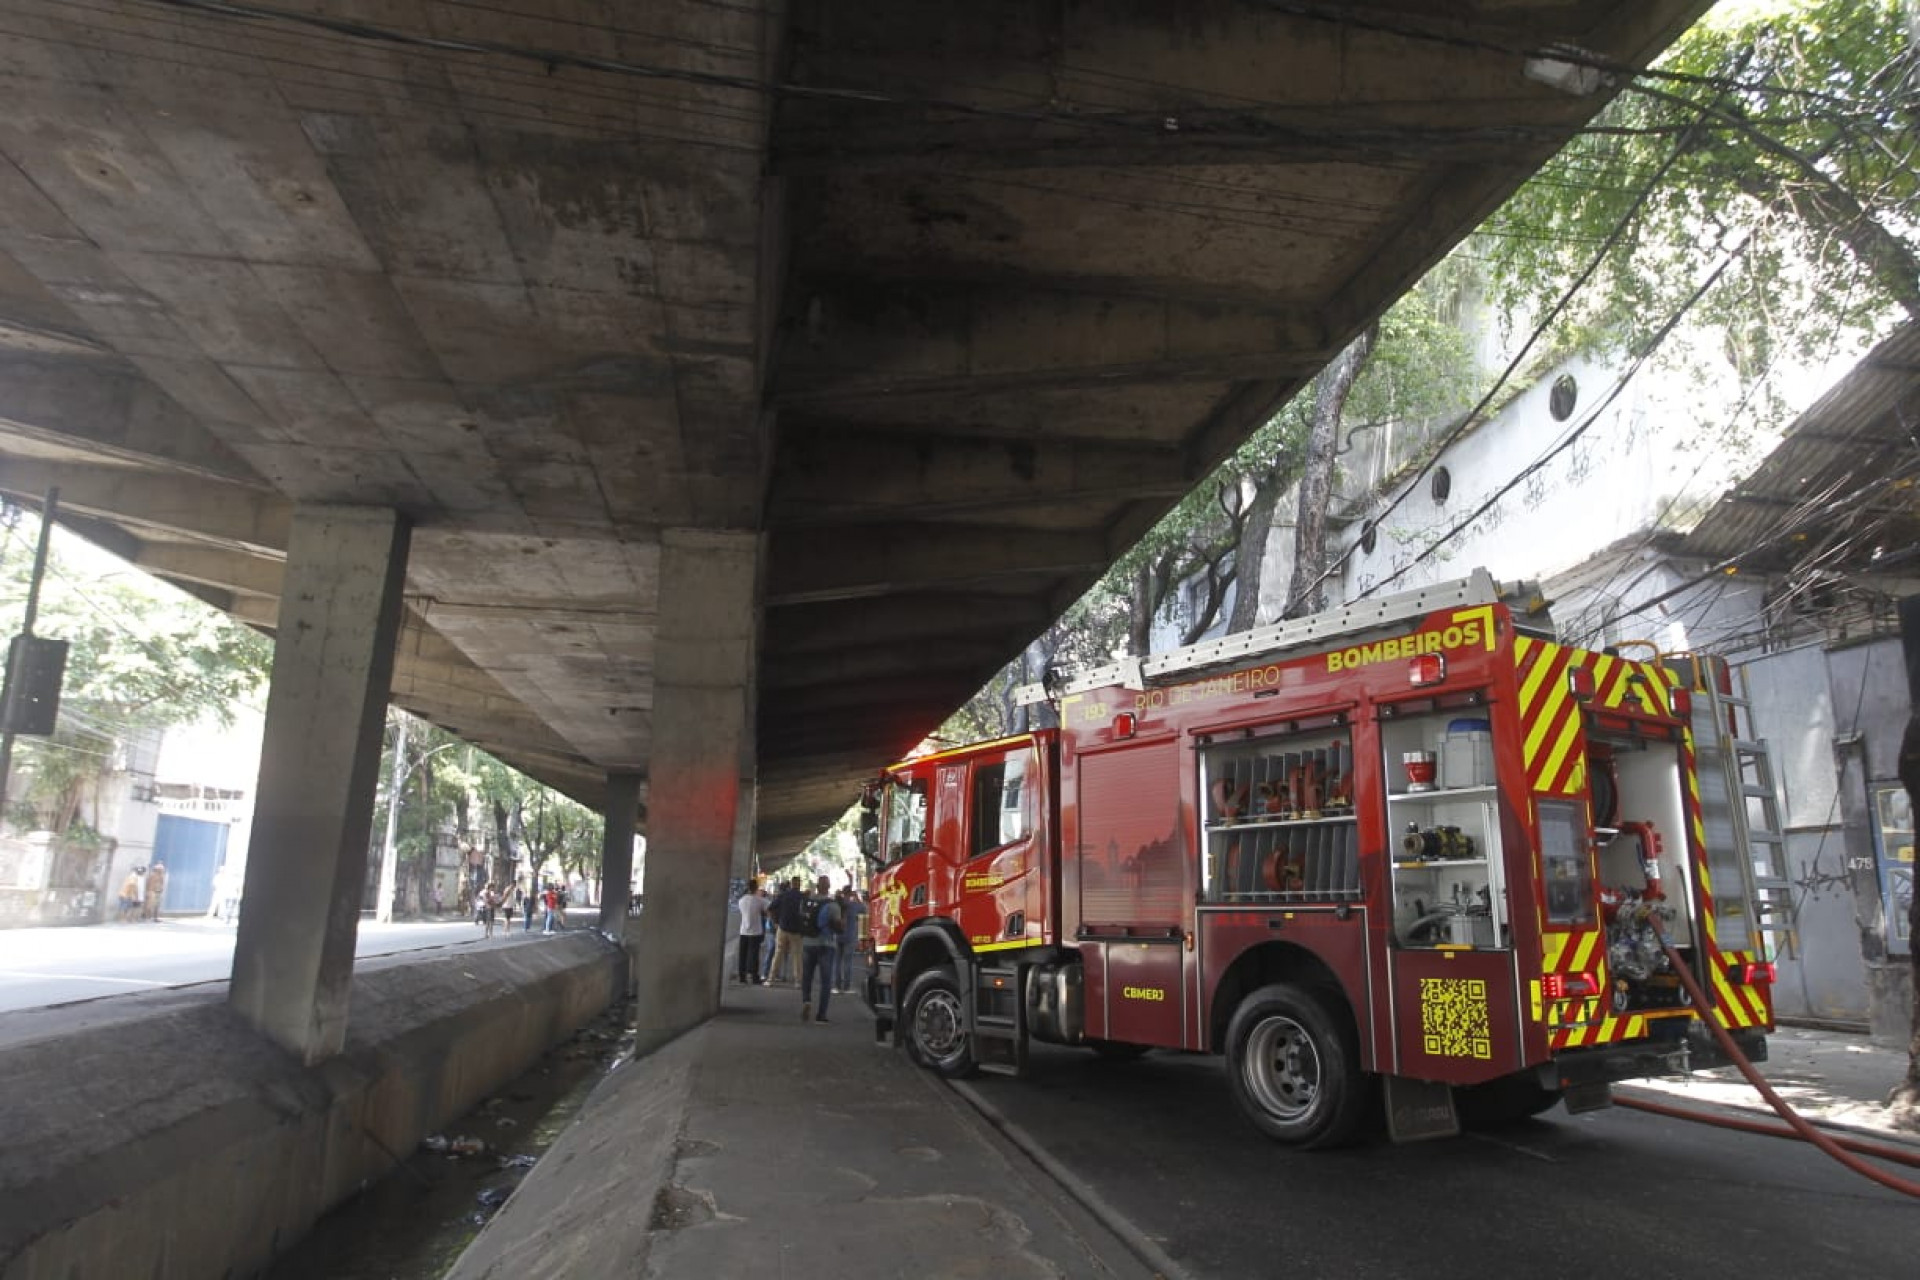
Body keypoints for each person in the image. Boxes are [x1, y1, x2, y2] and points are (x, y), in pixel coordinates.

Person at [800, 875, 842, 1023]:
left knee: (807, 976)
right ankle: (821, 1015)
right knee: (825, 981)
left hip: (808, 944)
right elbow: (838, 928)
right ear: (828, 887)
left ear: (817, 886)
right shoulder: (833, 905)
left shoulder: (807, 902)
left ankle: (806, 1001)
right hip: (826, 945)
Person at [767, 877, 804, 985]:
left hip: (782, 929)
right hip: (796, 931)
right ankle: (798, 981)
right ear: (799, 884)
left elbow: (770, 909)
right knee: (797, 956)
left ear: (791, 884)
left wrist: (775, 923)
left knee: (778, 954)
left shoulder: (783, 895)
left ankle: (771, 979)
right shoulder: (802, 897)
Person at [734, 878, 767, 984]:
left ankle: (742, 977)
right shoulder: (759, 900)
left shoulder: (741, 900)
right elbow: (768, 908)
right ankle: (754, 977)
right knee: (754, 955)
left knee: (742, 954)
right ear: (756, 888)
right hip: (755, 931)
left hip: (743, 930)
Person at [835, 887, 868, 995]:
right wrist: (857, 897)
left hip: (838, 935)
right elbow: (864, 909)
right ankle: (846, 986)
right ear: (850, 893)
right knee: (847, 962)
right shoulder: (854, 905)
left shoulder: (838, 904)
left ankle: (837, 985)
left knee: (837, 962)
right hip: (849, 936)